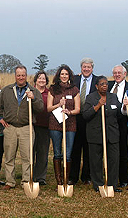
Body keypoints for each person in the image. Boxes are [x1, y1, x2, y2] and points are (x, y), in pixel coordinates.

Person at [0, 65, 44, 190]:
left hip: (26, 128)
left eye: (23, 75)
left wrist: (33, 99)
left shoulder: (34, 91)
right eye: (18, 75)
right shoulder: (6, 90)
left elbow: (40, 108)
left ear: (26, 76)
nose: (21, 77)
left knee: (27, 157)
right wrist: (1, 118)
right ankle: (10, 182)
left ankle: (26, 181)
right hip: (10, 127)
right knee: (9, 156)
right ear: (15, 76)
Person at [83, 76, 122, 192]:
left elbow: (120, 113)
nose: (104, 86)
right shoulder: (90, 98)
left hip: (112, 134)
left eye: (106, 84)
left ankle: (112, 185)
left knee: (114, 160)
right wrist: (98, 105)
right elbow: (85, 115)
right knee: (96, 161)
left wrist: (124, 106)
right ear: (96, 86)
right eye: (101, 84)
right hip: (95, 134)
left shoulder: (113, 97)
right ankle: (98, 184)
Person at [47, 65, 80, 186]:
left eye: (66, 74)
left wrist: (69, 112)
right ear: (58, 76)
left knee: (68, 153)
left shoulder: (74, 89)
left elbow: (78, 109)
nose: (64, 76)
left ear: (69, 76)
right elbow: (49, 108)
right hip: (55, 124)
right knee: (57, 152)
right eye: (62, 74)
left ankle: (66, 179)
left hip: (70, 124)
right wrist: (59, 105)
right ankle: (59, 180)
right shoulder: (53, 89)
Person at [69, 57, 100, 185]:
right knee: (75, 148)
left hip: (91, 118)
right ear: (81, 68)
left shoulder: (98, 80)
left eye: (89, 67)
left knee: (88, 148)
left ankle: (86, 176)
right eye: (84, 67)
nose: (86, 69)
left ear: (92, 68)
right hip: (76, 117)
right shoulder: (74, 80)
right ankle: (73, 177)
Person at [108, 65, 128, 188]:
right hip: (109, 122)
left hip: (124, 122)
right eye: (115, 73)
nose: (117, 75)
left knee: (124, 150)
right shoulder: (107, 86)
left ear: (125, 74)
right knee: (111, 150)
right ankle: (110, 176)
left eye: (119, 73)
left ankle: (123, 178)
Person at [32, 71, 50, 185]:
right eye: (39, 78)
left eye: (44, 79)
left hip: (45, 126)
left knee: (43, 152)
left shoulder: (50, 93)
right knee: (30, 151)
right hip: (31, 125)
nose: (41, 80)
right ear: (36, 80)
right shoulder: (30, 91)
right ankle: (30, 175)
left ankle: (41, 177)